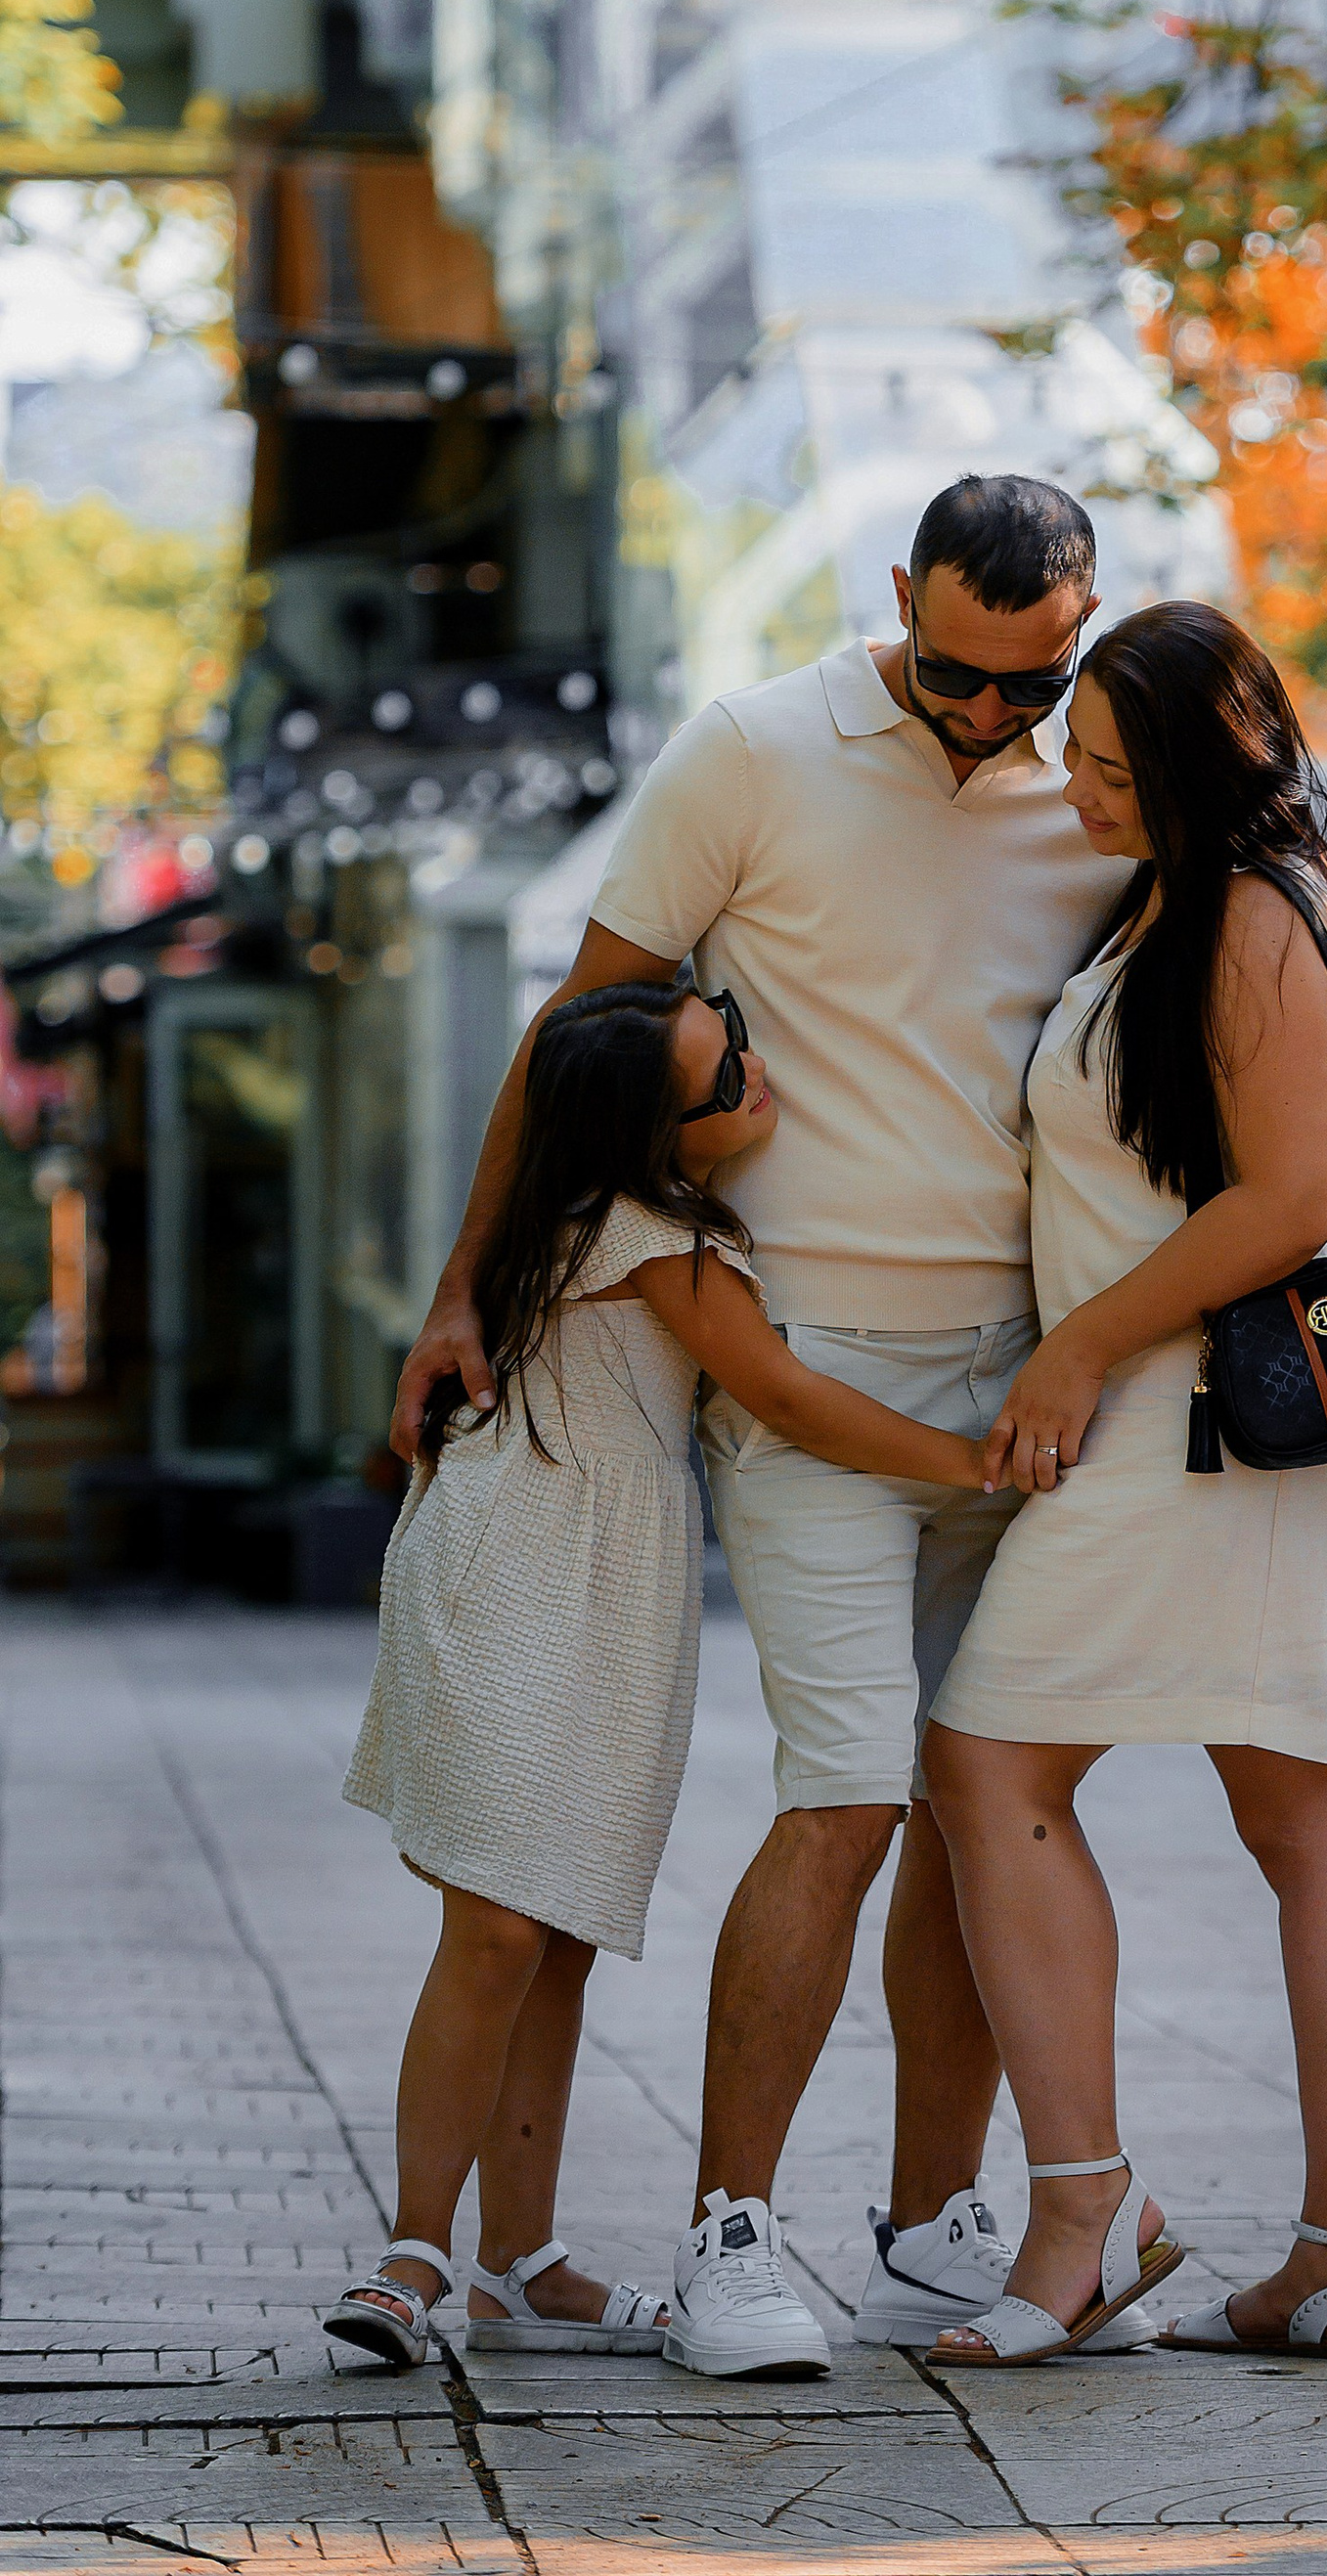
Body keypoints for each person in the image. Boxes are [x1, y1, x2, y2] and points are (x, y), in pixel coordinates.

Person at [385, 474, 1327, 2376]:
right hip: (812, 1370)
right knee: (850, 1785)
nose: (986, 725)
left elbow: (1235, 1026)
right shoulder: (754, 749)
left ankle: (950, 2218)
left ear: (1081, 643)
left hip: (1043, 1382)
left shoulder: (1106, 790)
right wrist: (467, 1289)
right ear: (897, 604)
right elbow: (579, 1031)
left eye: (1031, 693)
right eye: (951, 673)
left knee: (980, 1795)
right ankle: (731, 2229)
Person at [328, 980, 993, 2370]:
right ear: (646, 1138)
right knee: (501, 1926)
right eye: (721, 1074)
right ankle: (412, 2251)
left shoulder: (622, 1222)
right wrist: (977, 1462)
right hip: (520, 1570)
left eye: (736, 1037)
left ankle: (522, 2261)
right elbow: (790, 1396)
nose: (756, 1073)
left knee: (557, 1923)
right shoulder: (646, 1241)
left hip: (611, 1590)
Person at [919, 601, 1327, 2369]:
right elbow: (1313, 1169)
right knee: (1305, 1829)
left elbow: (1287, 1199)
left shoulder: (1252, 913)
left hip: (1200, 1421)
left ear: (1206, 772)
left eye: (1112, 768)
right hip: (1215, 1424)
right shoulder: (1200, 897)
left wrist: (1077, 1348)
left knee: (1008, 1761)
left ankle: (1108, 2213)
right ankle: (1311, 2257)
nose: (1074, 787)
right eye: (1077, 754)